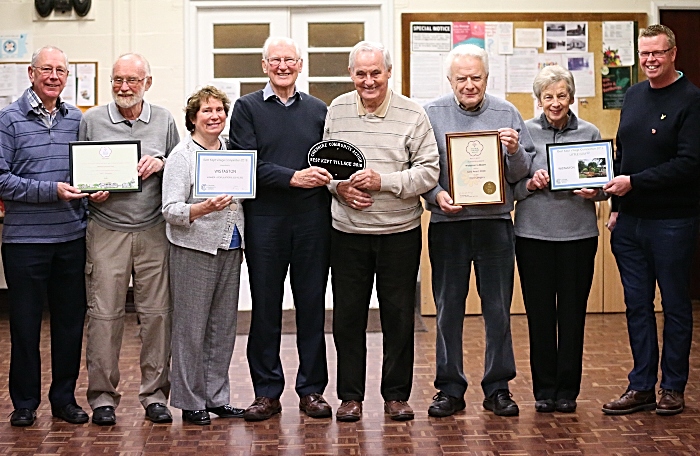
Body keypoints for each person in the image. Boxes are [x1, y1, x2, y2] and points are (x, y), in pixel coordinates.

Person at [325, 41, 440, 422]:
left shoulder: (413, 114)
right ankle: (350, 397)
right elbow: (324, 166)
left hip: (399, 233)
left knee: (398, 316)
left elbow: (429, 172)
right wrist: (337, 188)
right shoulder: (337, 109)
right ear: (352, 75)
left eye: (376, 72)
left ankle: (395, 396)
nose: (368, 80)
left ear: (389, 73)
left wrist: (383, 181)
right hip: (347, 233)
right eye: (361, 73)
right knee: (348, 318)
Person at [423, 44, 535, 418]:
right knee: (447, 311)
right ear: (450, 80)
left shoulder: (507, 112)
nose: (469, 85)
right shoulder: (431, 114)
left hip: (496, 226)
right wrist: (437, 196)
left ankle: (498, 387)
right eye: (461, 78)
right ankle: (450, 388)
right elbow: (422, 169)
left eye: (476, 77)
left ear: (487, 78)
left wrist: (516, 150)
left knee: (499, 310)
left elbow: (521, 175)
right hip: (448, 226)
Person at [229, 36, 333, 421]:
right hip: (265, 223)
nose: (283, 67)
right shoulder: (246, 108)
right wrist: (294, 178)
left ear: (300, 65)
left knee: (312, 309)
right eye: (275, 61)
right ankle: (267, 392)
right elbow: (245, 165)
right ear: (264, 65)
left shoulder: (319, 110)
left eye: (289, 60)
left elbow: (333, 163)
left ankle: (311, 391)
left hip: (312, 223)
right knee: (266, 309)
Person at [602, 24, 700, 416]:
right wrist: (617, 205)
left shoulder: (691, 100)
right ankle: (642, 385)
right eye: (644, 54)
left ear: (673, 53)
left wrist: (634, 183)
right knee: (636, 306)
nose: (650, 60)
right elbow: (622, 150)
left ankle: (672, 387)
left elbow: (690, 164)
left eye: (657, 53)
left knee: (675, 305)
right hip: (629, 224)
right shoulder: (634, 94)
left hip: (672, 222)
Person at [79, 53, 180, 426]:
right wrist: (92, 191)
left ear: (147, 83)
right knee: (104, 316)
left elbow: (179, 164)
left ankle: (155, 395)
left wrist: (162, 163)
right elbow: (81, 173)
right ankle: (103, 398)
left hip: (155, 230)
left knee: (156, 316)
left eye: (132, 81)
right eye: (118, 80)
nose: (124, 87)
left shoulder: (165, 120)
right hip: (106, 229)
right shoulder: (91, 120)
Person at [0, 45, 89, 427]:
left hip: (70, 238)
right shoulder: (8, 120)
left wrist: (95, 190)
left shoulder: (77, 119)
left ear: (68, 78)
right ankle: (24, 402)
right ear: (31, 73)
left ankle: (63, 399)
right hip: (24, 243)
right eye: (47, 70)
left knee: (70, 324)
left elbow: (87, 173)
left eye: (61, 71)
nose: (54, 76)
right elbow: (1, 180)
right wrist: (50, 190)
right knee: (24, 324)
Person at [513, 65, 605, 414]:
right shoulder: (525, 133)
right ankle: (544, 390)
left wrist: (594, 192)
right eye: (548, 96)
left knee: (572, 315)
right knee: (539, 316)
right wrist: (531, 184)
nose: (555, 103)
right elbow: (512, 186)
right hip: (533, 236)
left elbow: (601, 187)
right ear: (539, 100)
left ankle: (567, 390)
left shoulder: (590, 131)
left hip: (579, 236)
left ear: (571, 98)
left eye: (561, 96)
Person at [162, 86, 245, 425]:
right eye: (207, 111)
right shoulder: (181, 156)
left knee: (223, 327)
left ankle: (216, 397)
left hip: (231, 244)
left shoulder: (234, 151)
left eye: (219, 111)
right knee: (190, 328)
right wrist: (201, 208)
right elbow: (170, 209)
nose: (215, 117)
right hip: (194, 247)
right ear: (193, 119)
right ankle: (189, 399)